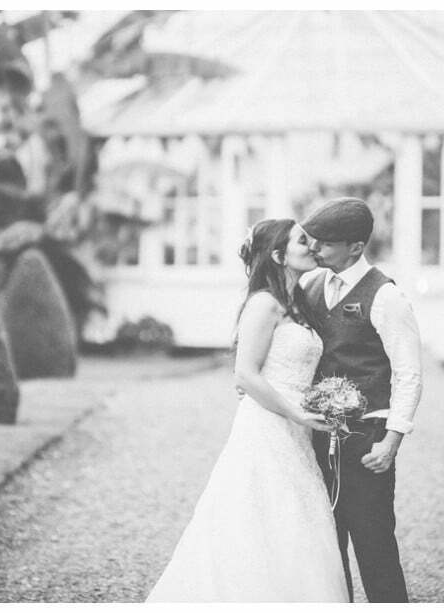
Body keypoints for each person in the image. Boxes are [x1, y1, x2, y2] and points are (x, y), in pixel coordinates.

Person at [145, 219, 348, 602]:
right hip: (267, 428)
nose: (313, 245)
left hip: (297, 432)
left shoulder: (299, 302)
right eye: (302, 240)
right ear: (277, 255)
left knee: (297, 522)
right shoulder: (263, 304)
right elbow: (247, 374)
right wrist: (298, 414)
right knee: (254, 519)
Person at [301, 197, 423, 603]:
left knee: (374, 547)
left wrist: (392, 441)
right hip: (316, 438)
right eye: (313, 240)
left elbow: (408, 374)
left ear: (355, 246)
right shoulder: (309, 286)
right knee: (324, 548)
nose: (315, 248)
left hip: (367, 440)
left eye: (326, 242)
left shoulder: (386, 297)